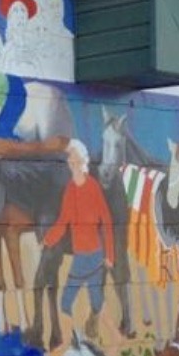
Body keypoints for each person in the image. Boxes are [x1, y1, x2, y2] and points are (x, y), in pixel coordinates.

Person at [43, 138, 114, 342]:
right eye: (69, 157)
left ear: (81, 160)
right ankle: (87, 338)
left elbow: (107, 220)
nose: (70, 160)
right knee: (85, 302)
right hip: (82, 254)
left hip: (92, 255)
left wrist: (109, 254)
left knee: (77, 301)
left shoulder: (92, 187)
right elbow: (63, 220)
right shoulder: (70, 190)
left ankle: (80, 339)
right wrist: (48, 240)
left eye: (73, 157)